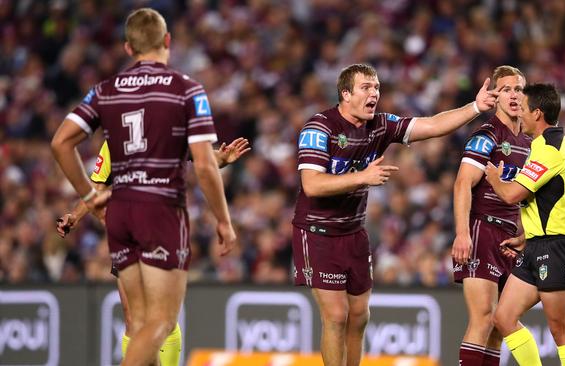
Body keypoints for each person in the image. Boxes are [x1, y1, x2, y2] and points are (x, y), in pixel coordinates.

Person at [50, 8, 237, 366]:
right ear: (167, 41)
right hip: (161, 210)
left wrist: (89, 197)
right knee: (161, 321)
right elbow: (203, 163)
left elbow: (60, 143)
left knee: (137, 322)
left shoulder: (104, 91)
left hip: (119, 213)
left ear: (127, 48)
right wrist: (224, 220)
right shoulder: (186, 89)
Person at [292, 63, 499, 366]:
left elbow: (430, 125)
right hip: (317, 232)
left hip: (354, 231)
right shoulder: (320, 127)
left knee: (360, 317)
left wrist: (475, 108)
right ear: (345, 94)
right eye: (366, 87)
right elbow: (311, 185)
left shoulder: (380, 125)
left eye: (376, 87)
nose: (374, 92)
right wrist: (363, 177)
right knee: (337, 315)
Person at [56, 137, 249, 365]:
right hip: (126, 234)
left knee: (162, 317)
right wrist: (74, 217)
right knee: (132, 319)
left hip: (162, 231)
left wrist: (222, 158)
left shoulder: (167, 131)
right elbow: (97, 186)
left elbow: (204, 159)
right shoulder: (113, 141)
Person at [484, 83, 565, 366]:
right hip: (536, 246)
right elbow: (559, 199)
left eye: (524, 110)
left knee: (562, 332)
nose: (520, 115)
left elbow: (512, 195)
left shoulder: (550, 150)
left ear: (537, 113)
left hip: (557, 248)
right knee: (503, 318)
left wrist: (494, 178)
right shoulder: (548, 146)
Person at [450, 65, 530, 366]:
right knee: (483, 317)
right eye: (507, 89)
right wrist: (462, 233)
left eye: (519, 89)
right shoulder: (486, 136)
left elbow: (527, 198)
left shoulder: (530, 143)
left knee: (500, 324)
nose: (514, 95)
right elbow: (462, 183)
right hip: (483, 230)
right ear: (495, 96)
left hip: (511, 238)